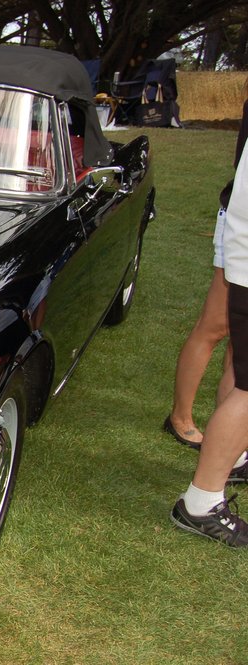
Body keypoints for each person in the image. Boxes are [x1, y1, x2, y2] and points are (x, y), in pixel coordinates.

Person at [165, 84, 248, 448]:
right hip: (241, 223)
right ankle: (180, 417)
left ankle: (230, 434)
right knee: (215, 327)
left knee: (240, 344)